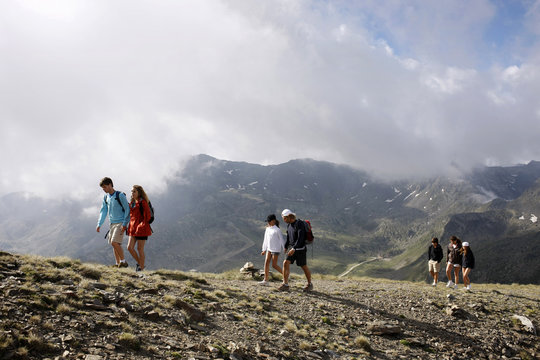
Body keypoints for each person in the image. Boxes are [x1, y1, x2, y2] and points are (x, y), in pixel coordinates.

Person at [96, 177, 130, 268]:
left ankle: (123, 262)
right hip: (112, 223)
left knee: (114, 242)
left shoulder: (120, 195)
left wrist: (125, 223)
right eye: (102, 188)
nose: (104, 189)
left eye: (105, 187)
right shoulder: (106, 197)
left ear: (110, 184)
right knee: (114, 244)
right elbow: (103, 211)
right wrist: (99, 224)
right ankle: (117, 263)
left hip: (120, 223)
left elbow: (127, 209)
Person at [279, 209, 312, 292]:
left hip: (300, 249)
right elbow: (288, 237)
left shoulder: (299, 224)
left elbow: (301, 238)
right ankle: (285, 284)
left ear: (289, 217)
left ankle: (309, 284)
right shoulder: (289, 225)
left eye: (284, 218)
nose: (284, 220)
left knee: (303, 266)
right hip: (291, 249)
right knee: (285, 263)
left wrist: (295, 248)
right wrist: (286, 246)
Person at [126, 185, 153, 272]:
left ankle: (140, 268)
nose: (132, 193)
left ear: (139, 193)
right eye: (132, 191)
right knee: (129, 248)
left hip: (142, 229)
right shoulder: (132, 203)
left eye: (134, 191)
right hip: (132, 228)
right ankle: (141, 264)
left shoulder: (143, 202)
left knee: (139, 249)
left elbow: (148, 217)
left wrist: (141, 226)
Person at [259, 214, 286, 285]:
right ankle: (265, 280)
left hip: (276, 249)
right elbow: (265, 239)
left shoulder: (277, 230)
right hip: (269, 248)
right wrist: (264, 249)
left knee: (274, 265)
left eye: (269, 221)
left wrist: (284, 248)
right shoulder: (267, 229)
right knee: (266, 263)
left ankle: (286, 275)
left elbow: (281, 240)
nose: (268, 223)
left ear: (273, 221)